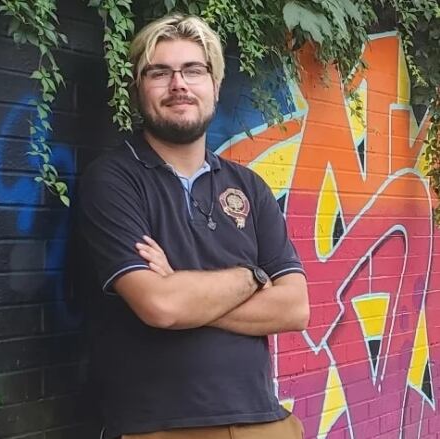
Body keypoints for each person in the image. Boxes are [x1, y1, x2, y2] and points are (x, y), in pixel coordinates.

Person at [72, 12, 310, 439]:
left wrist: (185, 290)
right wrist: (254, 278)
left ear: (215, 86)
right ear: (138, 89)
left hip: (264, 423)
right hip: (163, 427)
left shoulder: (250, 187)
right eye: (159, 72)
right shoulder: (112, 180)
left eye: (193, 70)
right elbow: (161, 307)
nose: (178, 84)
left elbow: (295, 308)